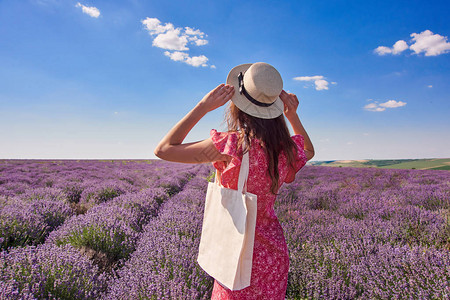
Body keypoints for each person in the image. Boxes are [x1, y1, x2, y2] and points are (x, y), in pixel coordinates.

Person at [154, 62, 314, 299]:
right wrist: (293, 116)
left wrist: (203, 107)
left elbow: (164, 149)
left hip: (236, 254)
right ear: (275, 108)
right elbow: (308, 151)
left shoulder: (231, 146)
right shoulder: (286, 150)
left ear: (239, 105)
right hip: (273, 255)